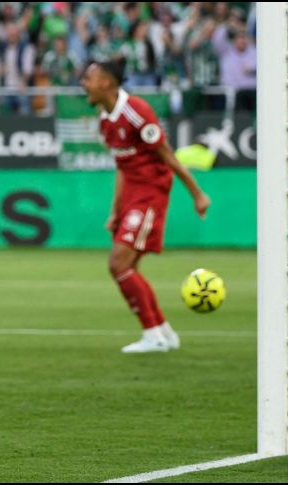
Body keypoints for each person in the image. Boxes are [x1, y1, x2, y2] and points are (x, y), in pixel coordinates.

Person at [80, 59, 211, 353]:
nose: (83, 84)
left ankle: (153, 336)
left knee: (118, 264)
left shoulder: (136, 111)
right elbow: (122, 167)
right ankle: (163, 332)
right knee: (128, 268)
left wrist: (197, 194)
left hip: (151, 193)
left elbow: (168, 155)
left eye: (89, 78)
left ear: (107, 83)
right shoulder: (105, 120)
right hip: (132, 195)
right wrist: (115, 211)